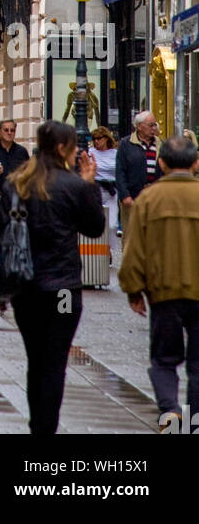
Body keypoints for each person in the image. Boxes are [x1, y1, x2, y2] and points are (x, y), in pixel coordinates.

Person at [0, 119, 103, 436]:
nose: (77, 152)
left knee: (36, 360)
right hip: (65, 291)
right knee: (55, 362)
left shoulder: (17, 183)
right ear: (61, 149)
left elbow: (0, 236)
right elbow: (94, 228)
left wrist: (0, 289)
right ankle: (46, 429)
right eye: (73, 147)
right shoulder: (74, 186)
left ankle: (36, 425)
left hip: (26, 290)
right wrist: (89, 183)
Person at [118, 134, 199, 431]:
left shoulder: (149, 199)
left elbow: (133, 250)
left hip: (163, 293)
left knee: (164, 359)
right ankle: (194, 422)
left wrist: (133, 290)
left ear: (161, 163)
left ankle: (170, 410)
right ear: (196, 163)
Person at [115, 110, 160, 240]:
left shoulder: (159, 144)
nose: (153, 128)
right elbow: (120, 171)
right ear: (139, 126)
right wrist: (125, 195)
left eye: (155, 125)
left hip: (154, 197)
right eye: (150, 125)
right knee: (131, 235)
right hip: (133, 197)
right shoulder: (126, 144)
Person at [90, 126, 118, 260]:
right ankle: (104, 251)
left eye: (99, 139)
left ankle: (109, 247)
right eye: (94, 139)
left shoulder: (115, 153)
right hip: (97, 189)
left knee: (112, 224)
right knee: (98, 222)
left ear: (106, 138)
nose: (96, 142)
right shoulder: (91, 153)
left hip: (111, 190)